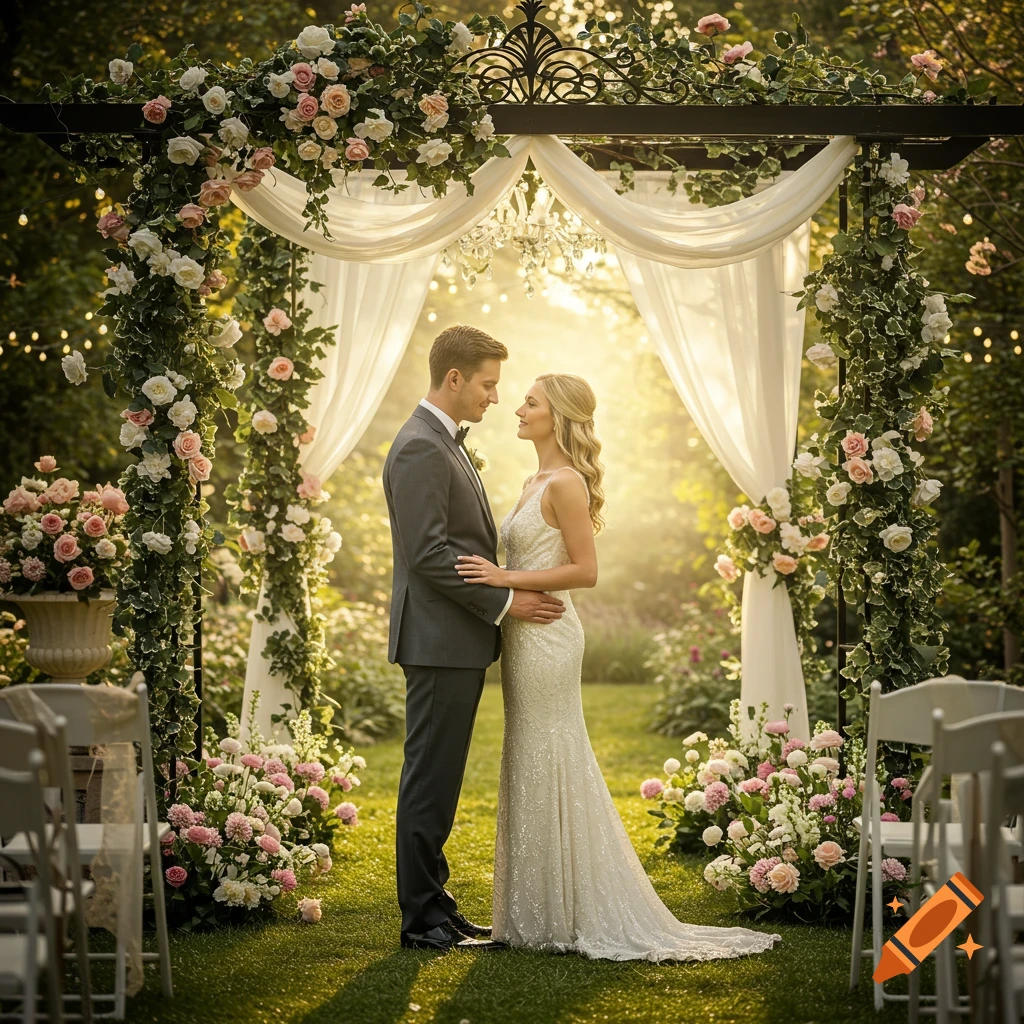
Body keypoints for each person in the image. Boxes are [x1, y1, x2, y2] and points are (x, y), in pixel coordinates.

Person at [456, 373, 783, 962]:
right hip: (524, 636)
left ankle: (562, 913)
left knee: (549, 752)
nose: (517, 409)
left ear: (556, 415)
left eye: (530, 402)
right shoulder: (533, 479)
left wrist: (504, 578)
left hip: (551, 637)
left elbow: (585, 570)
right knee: (527, 753)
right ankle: (534, 911)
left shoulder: (567, 483)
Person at [382, 324, 565, 952]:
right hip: (437, 642)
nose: (495, 397)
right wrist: (509, 601)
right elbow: (430, 554)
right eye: (488, 384)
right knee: (429, 779)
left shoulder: (444, 442)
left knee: (440, 777)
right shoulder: (420, 448)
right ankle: (421, 920)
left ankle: (437, 903)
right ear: (453, 378)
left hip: (451, 640)